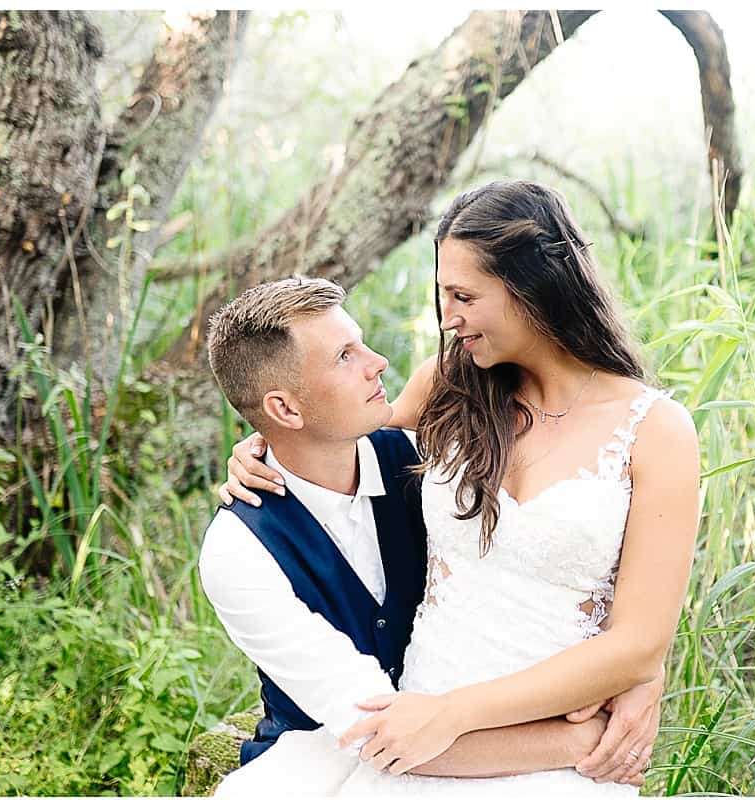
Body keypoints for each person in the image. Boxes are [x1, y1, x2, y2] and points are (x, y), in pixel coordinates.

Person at [222, 180, 700, 795]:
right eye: (444, 295)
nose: (448, 319)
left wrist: (456, 715)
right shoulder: (449, 383)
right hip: (417, 720)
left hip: (544, 743)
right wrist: (259, 446)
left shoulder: (656, 432)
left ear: (532, 286)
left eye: (464, 296)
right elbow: (326, 437)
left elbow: (638, 643)